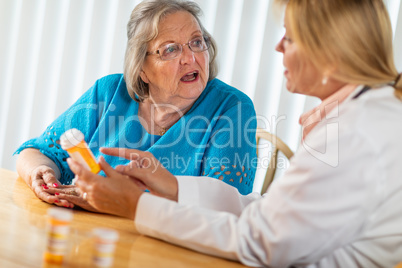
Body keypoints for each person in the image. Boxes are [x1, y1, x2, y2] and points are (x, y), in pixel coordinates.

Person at [49, 0, 402, 267]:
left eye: (290, 38)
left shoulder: (355, 134)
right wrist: (172, 186)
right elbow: (272, 215)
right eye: (171, 49)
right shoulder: (364, 114)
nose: (279, 47)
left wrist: (137, 205)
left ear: (330, 55)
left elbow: (259, 241)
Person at [15, 0, 257, 210]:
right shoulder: (109, 92)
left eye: (196, 42)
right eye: (171, 49)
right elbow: (37, 152)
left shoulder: (232, 108)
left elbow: (225, 208)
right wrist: (40, 174)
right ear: (142, 69)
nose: (190, 58)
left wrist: (117, 203)